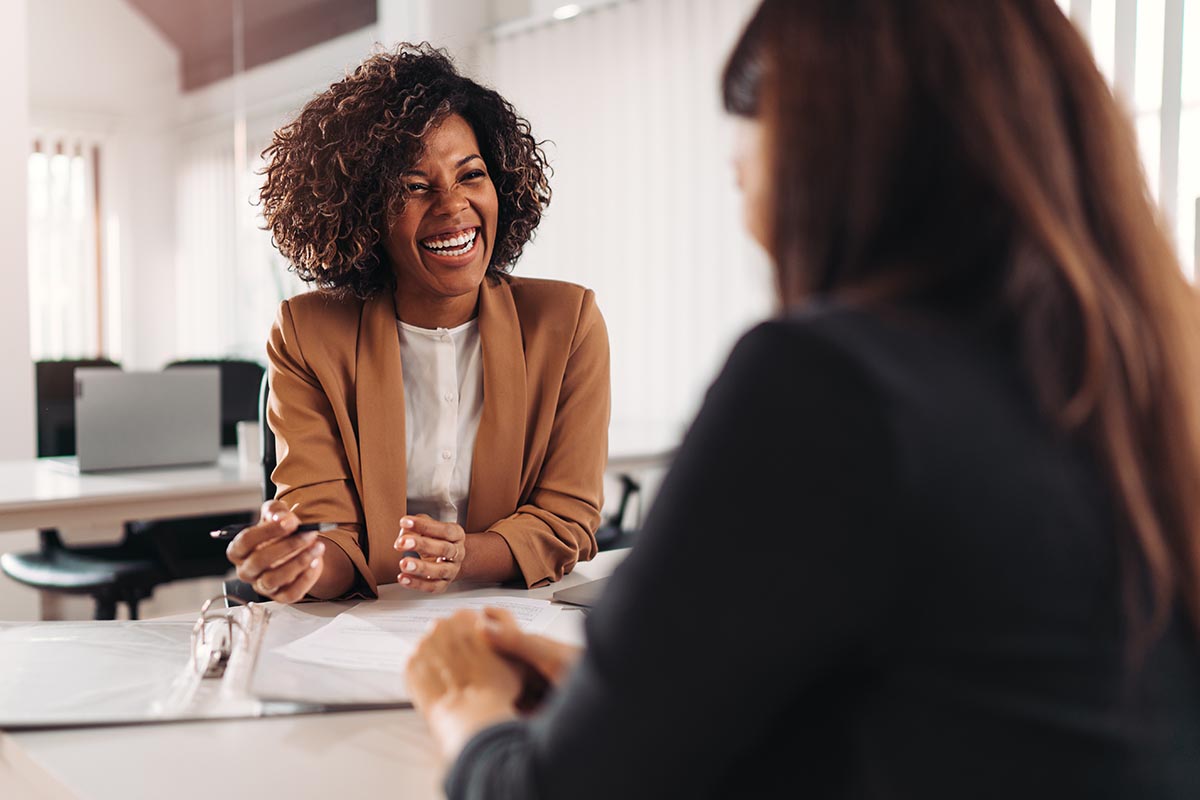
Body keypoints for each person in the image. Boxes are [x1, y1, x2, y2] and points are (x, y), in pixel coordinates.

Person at [404, 1, 1200, 797]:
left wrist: (464, 705)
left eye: (748, 114)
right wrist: (636, 692)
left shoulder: (830, 385)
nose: (734, 162)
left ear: (831, 136)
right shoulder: (1142, 373)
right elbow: (970, 704)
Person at [224, 46, 610, 602]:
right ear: (363, 211)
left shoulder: (567, 323)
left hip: (512, 615)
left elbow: (566, 519)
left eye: (470, 174)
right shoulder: (308, 333)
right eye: (413, 186)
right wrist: (299, 562)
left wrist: (462, 557)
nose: (452, 206)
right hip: (362, 627)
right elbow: (330, 535)